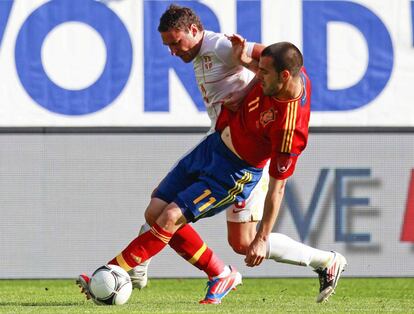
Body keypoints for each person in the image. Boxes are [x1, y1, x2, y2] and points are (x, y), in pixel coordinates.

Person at [78, 38, 347, 304]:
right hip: (214, 146)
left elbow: (278, 189)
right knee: (155, 212)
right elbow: (258, 63)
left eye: (263, 72)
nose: (257, 73)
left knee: (174, 218)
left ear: (285, 76)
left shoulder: (290, 129)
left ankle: (108, 274)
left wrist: (263, 238)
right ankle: (221, 273)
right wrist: (245, 82)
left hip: (234, 172)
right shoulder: (285, 71)